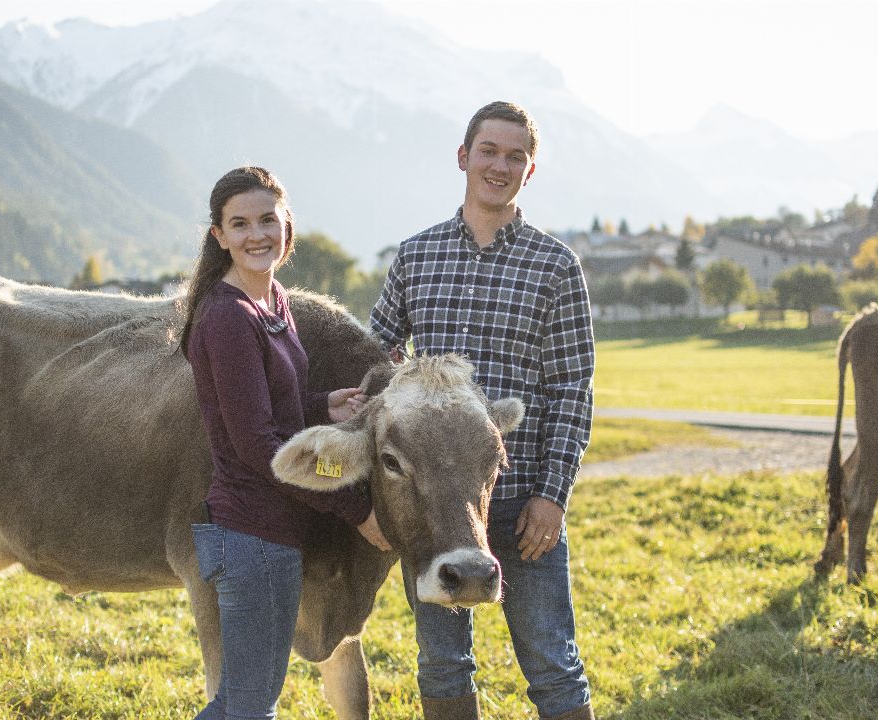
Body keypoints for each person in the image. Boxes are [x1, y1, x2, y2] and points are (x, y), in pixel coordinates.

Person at [370, 101, 596, 720]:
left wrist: (553, 497)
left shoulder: (555, 267)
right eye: (489, 151)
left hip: (523, 502)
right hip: (435, 504)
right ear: (463, 156)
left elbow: (573, 390)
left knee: (552, 660)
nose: (501, 165)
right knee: (442, 663)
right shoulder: (416, 256)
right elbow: (379, 352)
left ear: (531, 169)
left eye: (516, 156)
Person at [180, 166, 390, 720]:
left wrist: (324, 406)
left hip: (266, 533)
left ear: (286, 226)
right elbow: (259, 445)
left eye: (267, 220)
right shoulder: (229, 316)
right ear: (219, 236)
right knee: (251, 708)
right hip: (252, 535)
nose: (257, 235)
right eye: (240, 223)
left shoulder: (271, 301)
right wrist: (354, 507)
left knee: (244, 703)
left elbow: (262, 410)